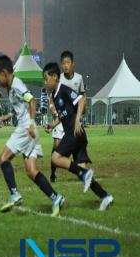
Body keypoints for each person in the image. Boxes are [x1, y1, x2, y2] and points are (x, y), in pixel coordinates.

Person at [0, 55, 64, 216]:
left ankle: (14, 194)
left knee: (3, 158)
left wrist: (31, 123)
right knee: (31, 171)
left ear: (4, 72)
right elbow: (21, 105)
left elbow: (32, 101)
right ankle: (56, 198)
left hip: (26, 128)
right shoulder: (12, 88)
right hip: (29, 129)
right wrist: (8, 115)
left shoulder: (17, 85)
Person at [43, 63, 114, 210]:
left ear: (55, 77)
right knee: (81, 172)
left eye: (46, 78)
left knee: (55, 158)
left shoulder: (63, 89)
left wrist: (77, 120)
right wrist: (52, 125)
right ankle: (105, 196)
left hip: (74, 134)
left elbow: (81, 99)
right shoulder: (54, 96)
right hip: (78, 136)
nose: (45, 82)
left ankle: (85, 174)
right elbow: (63, 117)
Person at [49, 50, 87, 182]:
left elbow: (82, 97)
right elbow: (52, 98)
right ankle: (53, 173)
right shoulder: (57, 79)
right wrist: (53, 110)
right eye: (63, 63)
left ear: (73, 64)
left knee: (73, 152)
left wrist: (79, 116)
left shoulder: (79, 78)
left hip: (73, 120)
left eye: (68, 63)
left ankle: (84, 173)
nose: (65, 65)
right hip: (62, 117)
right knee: (56, 146)